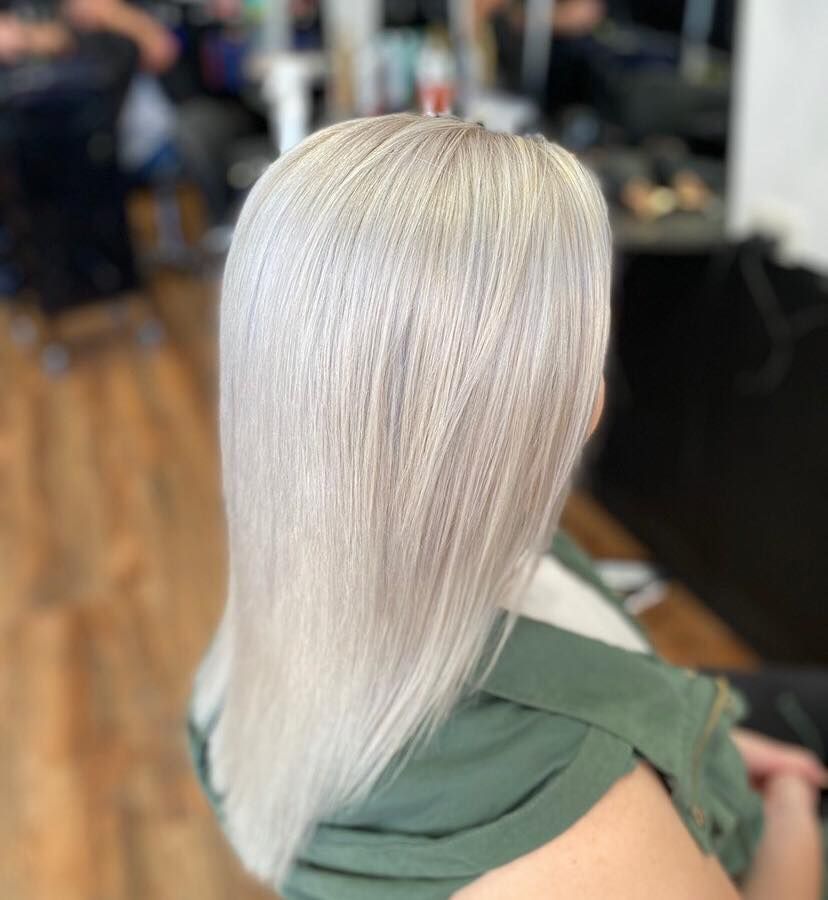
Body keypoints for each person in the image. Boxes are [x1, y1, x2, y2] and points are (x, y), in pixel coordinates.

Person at [188, 113, 826, 899]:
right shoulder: (597, 828)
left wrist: (703, 747)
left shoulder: (278, 606)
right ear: (567, 408)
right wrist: (793, 807)